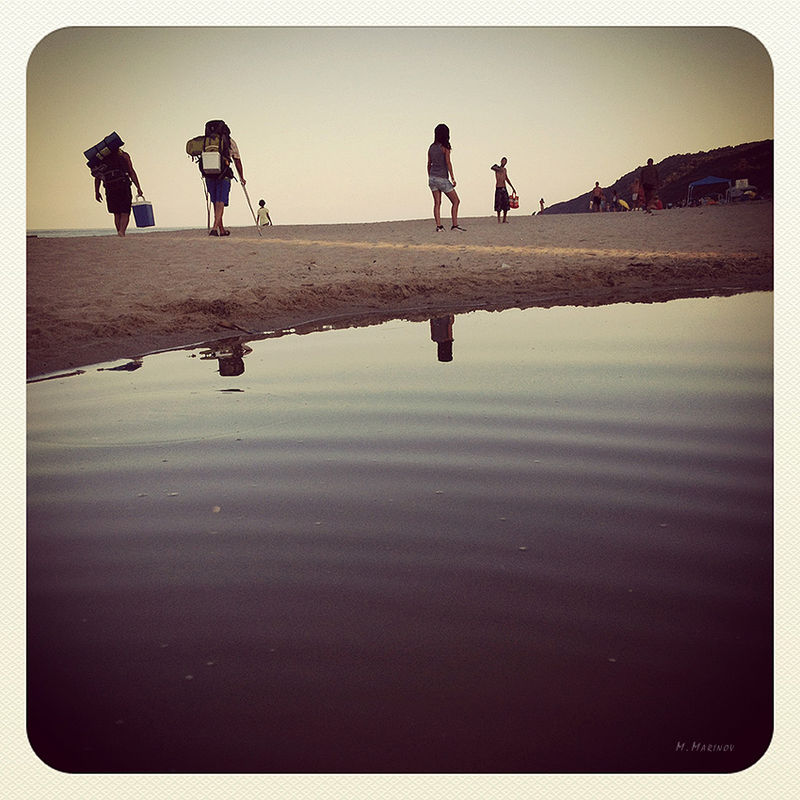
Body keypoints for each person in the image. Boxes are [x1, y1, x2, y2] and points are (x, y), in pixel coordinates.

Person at [205, 121, 246, 236]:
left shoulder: (207, 141)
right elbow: (237, 160)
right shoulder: (229, 141)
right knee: (220, 201)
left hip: (209, 174)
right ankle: (214, 228)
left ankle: (221, 230)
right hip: (224, 174)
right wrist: (242, 177)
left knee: (215, 202)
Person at [93, 146, 143, 236]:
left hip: (110, 187)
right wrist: (138, 187)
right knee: (125, 211)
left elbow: (98, 177)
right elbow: (131, 172)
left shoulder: (102, 159)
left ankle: (119, 231)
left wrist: (97, 191)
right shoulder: (124, 155)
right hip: (123, 185)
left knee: (116, 213)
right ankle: (122, 231)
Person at [427, 123, 464, 232]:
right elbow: (448, 163)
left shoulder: (431, 147)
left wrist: (430, 176)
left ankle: (439, 226)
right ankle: (454, 225)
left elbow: (429, 163)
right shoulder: (445, 147)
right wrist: (453, 178)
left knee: (437, 203)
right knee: (456, 201)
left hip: (432, 177)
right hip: (442, 178)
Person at [491, 157, 516, 223]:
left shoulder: (505, 170)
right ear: (501, 161)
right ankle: (499, 220)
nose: (504, 163)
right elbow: (492, 167)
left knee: (506, 204)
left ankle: (504, 219)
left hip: (504, 187)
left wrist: (512, 187)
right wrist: (499, 169)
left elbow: (506, 179)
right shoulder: (497, 168)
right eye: (503, 161)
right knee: (498, 205)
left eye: (505, 162)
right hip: (498, 187)